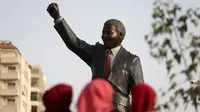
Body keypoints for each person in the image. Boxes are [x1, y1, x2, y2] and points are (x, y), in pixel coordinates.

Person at [47, 3, 144, 112]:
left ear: (120, 35)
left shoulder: (132, 60)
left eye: (109, 33)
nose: (104, 36)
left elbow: (140, 96)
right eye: (103, 32)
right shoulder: (96, 53)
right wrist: (58, 19)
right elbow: (74, 43)